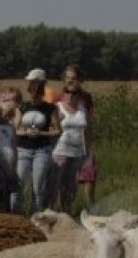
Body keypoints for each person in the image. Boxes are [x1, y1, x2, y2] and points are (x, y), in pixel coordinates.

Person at [11, 68, 61, 215]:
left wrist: (42, 133)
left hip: (42, 150)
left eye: (36, 86)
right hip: (23, 150)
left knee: (38, 187)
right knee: (19, 184)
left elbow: (57, 131)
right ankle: (17, 216)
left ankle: (36, 217)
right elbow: (15, 129)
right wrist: (26, 133)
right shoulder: (22, 106)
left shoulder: (50, 108)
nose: (33, 90)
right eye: (31, 86)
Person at [60, 65, 98, 212]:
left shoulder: (86, 98)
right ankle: (66, 210)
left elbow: (88, 123)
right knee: (66, 179)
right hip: (64, 145)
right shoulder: (58, 97)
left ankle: (91, 207)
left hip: (82, 143)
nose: (70, 81)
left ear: (79, 80)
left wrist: (89, 146)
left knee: (89, 173)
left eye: (73, 78)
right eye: (68, 78)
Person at [49, 85, 89, 214]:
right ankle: (50, 212)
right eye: (67, 92)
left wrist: (87, 150)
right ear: (63, 93)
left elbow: (88, 130)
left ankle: (67, 213)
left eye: (74, 93)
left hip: (77, 152)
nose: (70, 95)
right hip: (60, 151)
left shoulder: (83, 109)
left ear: (78, 95)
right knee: (55, 184)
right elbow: (51, 127)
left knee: (71, 186)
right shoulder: (57, 108)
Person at [0, 89, 22, 212]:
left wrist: (13, 167)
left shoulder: (10, 126)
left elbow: (14, 147)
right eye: (4, 102)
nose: (7, 105)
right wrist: (6, 168)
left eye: (9, 102)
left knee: (7, 195)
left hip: (10, 165)